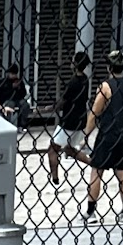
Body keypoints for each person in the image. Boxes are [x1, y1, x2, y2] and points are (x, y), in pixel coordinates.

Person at [86, 47, 123, 217]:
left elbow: (95, 113)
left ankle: (91, 212)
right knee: (122, 172)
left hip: (107, 135)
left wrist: (86, 134)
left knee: (96, 172)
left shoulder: (105, 87)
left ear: (109, 68)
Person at [49, 50, 91, 183]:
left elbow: (63, 100)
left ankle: (55, 179)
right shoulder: (85, 80)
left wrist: (52, 107)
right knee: (70, 149)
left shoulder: (73, 82)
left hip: (69, 121)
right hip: (81, 120)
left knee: (53, 149)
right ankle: (93, 163)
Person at [0, 62, 29, 126]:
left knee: (25, 105)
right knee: (10, 104)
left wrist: (19, 88)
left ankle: (22, 125)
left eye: (15, 74)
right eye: (12, 74)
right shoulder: (3, 82)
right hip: (6, 99)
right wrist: (11, 87)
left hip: (17, 100)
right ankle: (7, 123)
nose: (13, 75)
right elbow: (0, 94)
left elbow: (23, 94)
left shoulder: (19, 81)